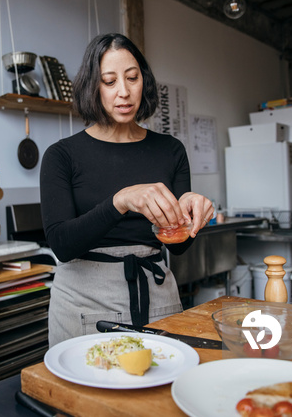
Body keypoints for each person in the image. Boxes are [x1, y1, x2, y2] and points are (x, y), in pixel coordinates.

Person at [40, 33, 214, 346]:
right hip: (83, 302)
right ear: (93, 86)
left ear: (143, 81)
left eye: (132, 78)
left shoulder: (170, 150)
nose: (124, 91)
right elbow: (62, 245)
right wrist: (120, 201)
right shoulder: (62, 155)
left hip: (157, 293)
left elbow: (177, 246)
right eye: (109, 81)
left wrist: (189, 219)